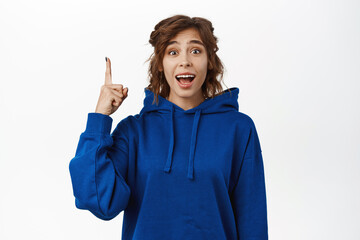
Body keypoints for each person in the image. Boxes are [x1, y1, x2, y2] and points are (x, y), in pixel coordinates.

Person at [69, 14, 268, 240]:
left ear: (209, 61)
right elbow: (97, 200)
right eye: (173, 52)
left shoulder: (239, 129)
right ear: (161, 64)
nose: (185, 61)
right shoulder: (134, 131)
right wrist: (99, 119)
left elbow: (253, 220)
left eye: (195, 51)